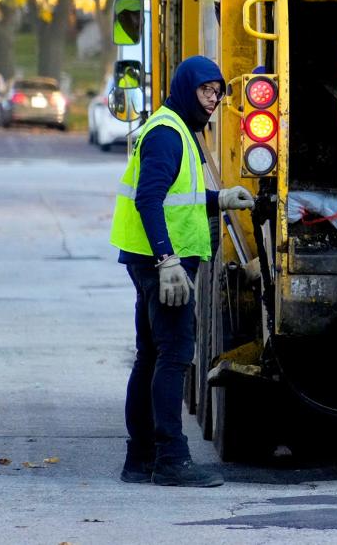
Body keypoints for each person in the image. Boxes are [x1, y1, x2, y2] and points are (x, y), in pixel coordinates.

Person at [109, 55, 256, 486]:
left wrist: (220, 200)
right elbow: (149, 200)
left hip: (150, 260)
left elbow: (180, 198)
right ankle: (171, 459)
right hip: (162, 265)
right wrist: (167, 262)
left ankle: (140, 459)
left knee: (151, 356)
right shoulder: (167, 134)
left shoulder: (178, 128)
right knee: (173, 357)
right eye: (205, 91)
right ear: (185, 87)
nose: (212, 100)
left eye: (217, 93)